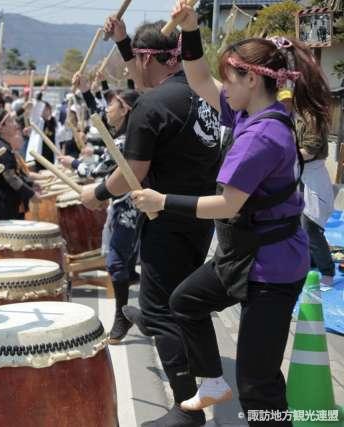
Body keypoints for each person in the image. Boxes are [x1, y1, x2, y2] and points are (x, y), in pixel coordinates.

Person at [128, 1, 333, 423]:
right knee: (185, 301)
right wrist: (189, 29)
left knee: (259, 384)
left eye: (232, 77)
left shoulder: (262, 136)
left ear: (253, 78)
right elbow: (199, 76)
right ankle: (212, 381)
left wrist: (161, 200)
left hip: (272, 266)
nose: (223, 86)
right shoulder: (248, 113)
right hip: (243, 254)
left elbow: (227, 204)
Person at [81, 15, 221, 426]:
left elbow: (132, 174)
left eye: (132, 60)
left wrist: (98, 193)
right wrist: (125, 41)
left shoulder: (151, 106)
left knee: (162, 312)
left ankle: (187, 408)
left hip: (165, 217)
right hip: (200, 215)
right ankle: (203, 385)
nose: (129, 72)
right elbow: (144, 75)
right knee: (185, 304)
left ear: (146, 58)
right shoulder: (202, 95)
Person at [60, 89, 142, 343]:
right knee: (127, 262)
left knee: (117, 262)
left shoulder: (124, 140)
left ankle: (122, 316)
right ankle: (134, 298)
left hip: (130, 209)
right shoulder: (129, 135)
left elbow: (98, 171)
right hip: (132, 206)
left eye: (112, 105)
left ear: (125, 109)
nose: (107, 110)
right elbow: (100, 121)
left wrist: (72, 163)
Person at [278, 89, 335, 291]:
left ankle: (327, 271)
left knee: (311, 225)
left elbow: (310, 150)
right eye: (280, 102)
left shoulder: (311, 118)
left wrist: (284, 158)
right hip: (296, 174)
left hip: (312, 175)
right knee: (295, 223)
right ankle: (308, 263)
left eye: (286, 101)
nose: (283, 105)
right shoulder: (284, 119)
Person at [0, 110, 41, 220]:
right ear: (2, 128)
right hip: (1, 204)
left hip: (4, 203)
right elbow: (10, 177)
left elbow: (15, 174)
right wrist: (31, 194)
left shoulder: (3, 146)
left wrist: (31, 183)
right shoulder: (1, 148)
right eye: (11, 121)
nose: (16, 124)